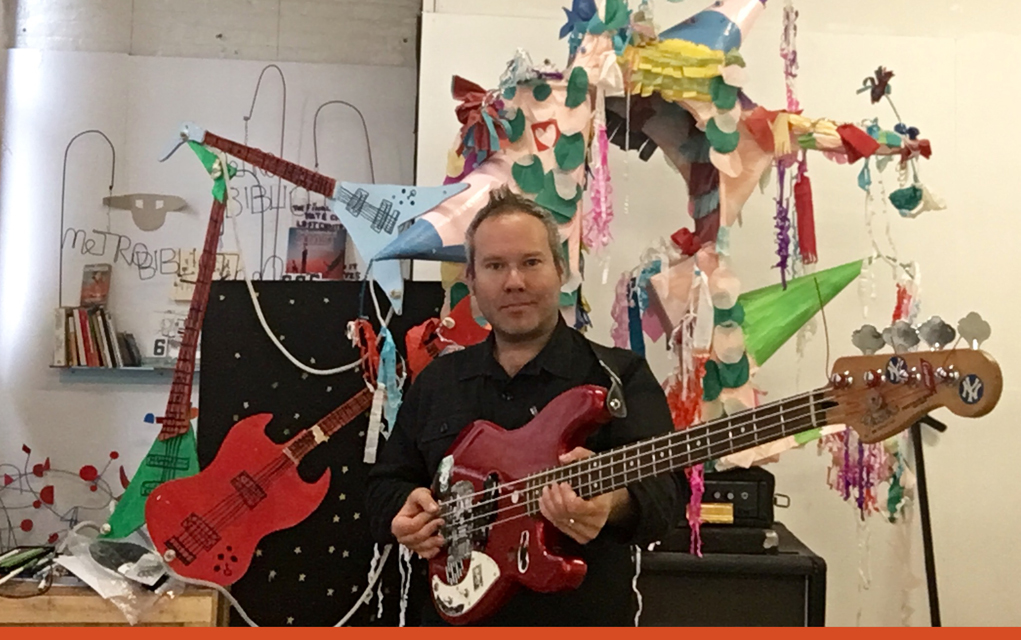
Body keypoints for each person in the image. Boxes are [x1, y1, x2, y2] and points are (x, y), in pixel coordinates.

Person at [365, 186, 688, 626]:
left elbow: (666, 493)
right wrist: (404, 511)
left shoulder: (620, 377)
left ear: (560, 270)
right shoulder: (438, 382)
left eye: (531, 262)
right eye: (495, 266)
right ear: (472, 282)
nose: (514, 281)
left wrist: (610, 503)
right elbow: (386, 483)